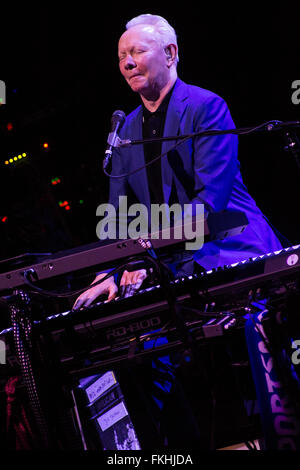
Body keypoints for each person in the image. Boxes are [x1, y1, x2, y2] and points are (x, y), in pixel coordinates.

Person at [73, 13, 283, 311]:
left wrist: (148, 257)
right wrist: (108, 271)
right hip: (172, 266)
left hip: (232, 250)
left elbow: (211, 202)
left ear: (170, 53)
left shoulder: (205, 106)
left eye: (138, 52)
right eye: (122, 57)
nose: (128, 63)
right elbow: (118, 217)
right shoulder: (125, 131)